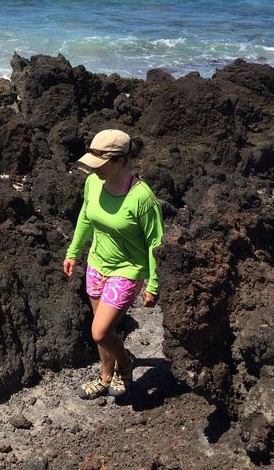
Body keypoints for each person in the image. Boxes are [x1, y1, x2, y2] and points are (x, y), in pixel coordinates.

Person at [62, 128, 164, 399]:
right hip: (97, 263)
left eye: (101, 163)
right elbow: (86, 216)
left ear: (120, 161)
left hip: (128, 270)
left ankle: (126, 363)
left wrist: (153, 284)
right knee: (104, 332)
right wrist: (73, 252)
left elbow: (156, 243)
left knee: (100, 331)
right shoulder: (93, 182)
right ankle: (106, 376)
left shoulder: (142, 197)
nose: (94, 170)